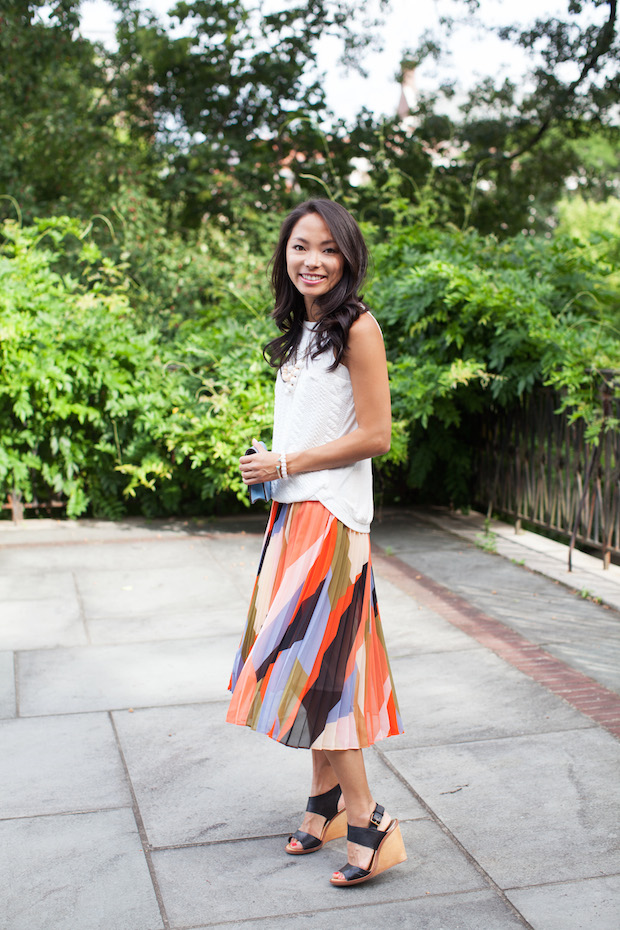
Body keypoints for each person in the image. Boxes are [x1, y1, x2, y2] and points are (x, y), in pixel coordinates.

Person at [226, 199, 406, 887]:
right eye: (302, 246)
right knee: (305, 671)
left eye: (328, 249)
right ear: (286, 254)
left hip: (330, 520)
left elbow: (376, 436)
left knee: (321, 678)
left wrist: (287, 464)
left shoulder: (358, 327)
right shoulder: (303, 329)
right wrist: (274, 463)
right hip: (294, 516)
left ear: (347, 257)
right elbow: (314, 430)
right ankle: (324, 802)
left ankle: (369, 819)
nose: (313, 260)